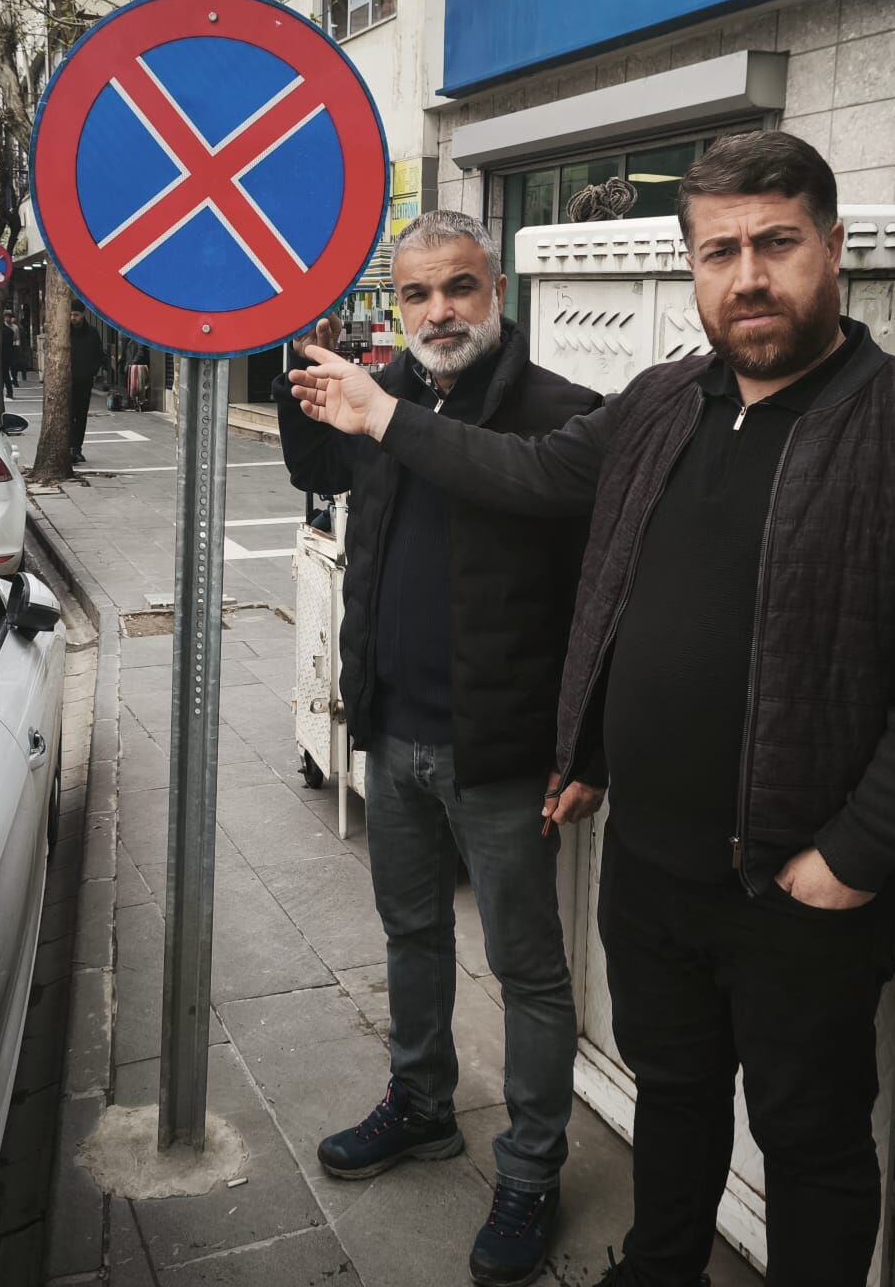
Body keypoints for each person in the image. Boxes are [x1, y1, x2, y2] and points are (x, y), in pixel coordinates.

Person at [289, 134, 895, 1287]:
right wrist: (581, 742)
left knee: (811, 1142)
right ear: (691, 267)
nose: (747, 276)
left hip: (799, 887)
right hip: (652, 865)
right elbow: (539, 496)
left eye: (775, 244)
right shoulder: (661, 402)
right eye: (718, 250)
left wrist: (854, 855)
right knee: (671, 1101)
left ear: (830, 250)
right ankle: (658, 1267)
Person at [274, 210, 601, 1287]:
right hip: (394, 730)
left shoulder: (556, 415)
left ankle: (529, 1167)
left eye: (457, 287)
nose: (437, 312)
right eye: (416, 295)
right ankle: (420, 1105)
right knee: (408, 933)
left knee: (527, 973)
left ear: (495, 289)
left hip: (501, 758)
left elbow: (598, 597)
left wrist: (585, 744)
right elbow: (315, 459)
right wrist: (292, 357)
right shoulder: (390, 397)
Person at [68, 303, 107, 463]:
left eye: (76, 315)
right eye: (71, 315)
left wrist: (91, 371)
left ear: (83, 315)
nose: (73, 318)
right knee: (69, 415)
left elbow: (99, 355)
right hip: (67, 381)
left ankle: (77, 448)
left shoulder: (92, 333)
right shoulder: (65, 332)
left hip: (84, 381)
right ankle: (68, 448)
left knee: (81, 415)